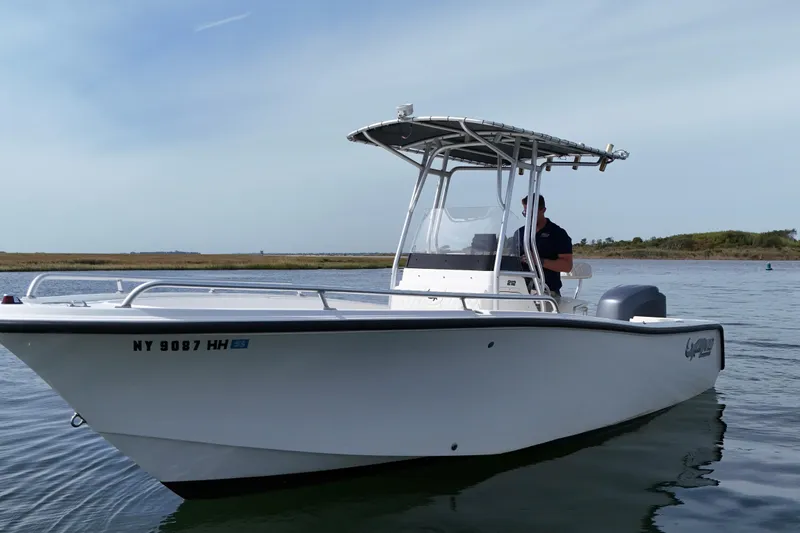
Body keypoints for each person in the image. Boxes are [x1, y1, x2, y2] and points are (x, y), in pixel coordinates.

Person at [513, 194, 573, 297]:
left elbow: (567, 266)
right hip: (519, 290)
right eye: (525, 213)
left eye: (531, 212)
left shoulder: (558, 234)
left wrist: (538, 261)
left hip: (547, 292)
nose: (528, 216)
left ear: (543, 210)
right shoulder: (519, 233)